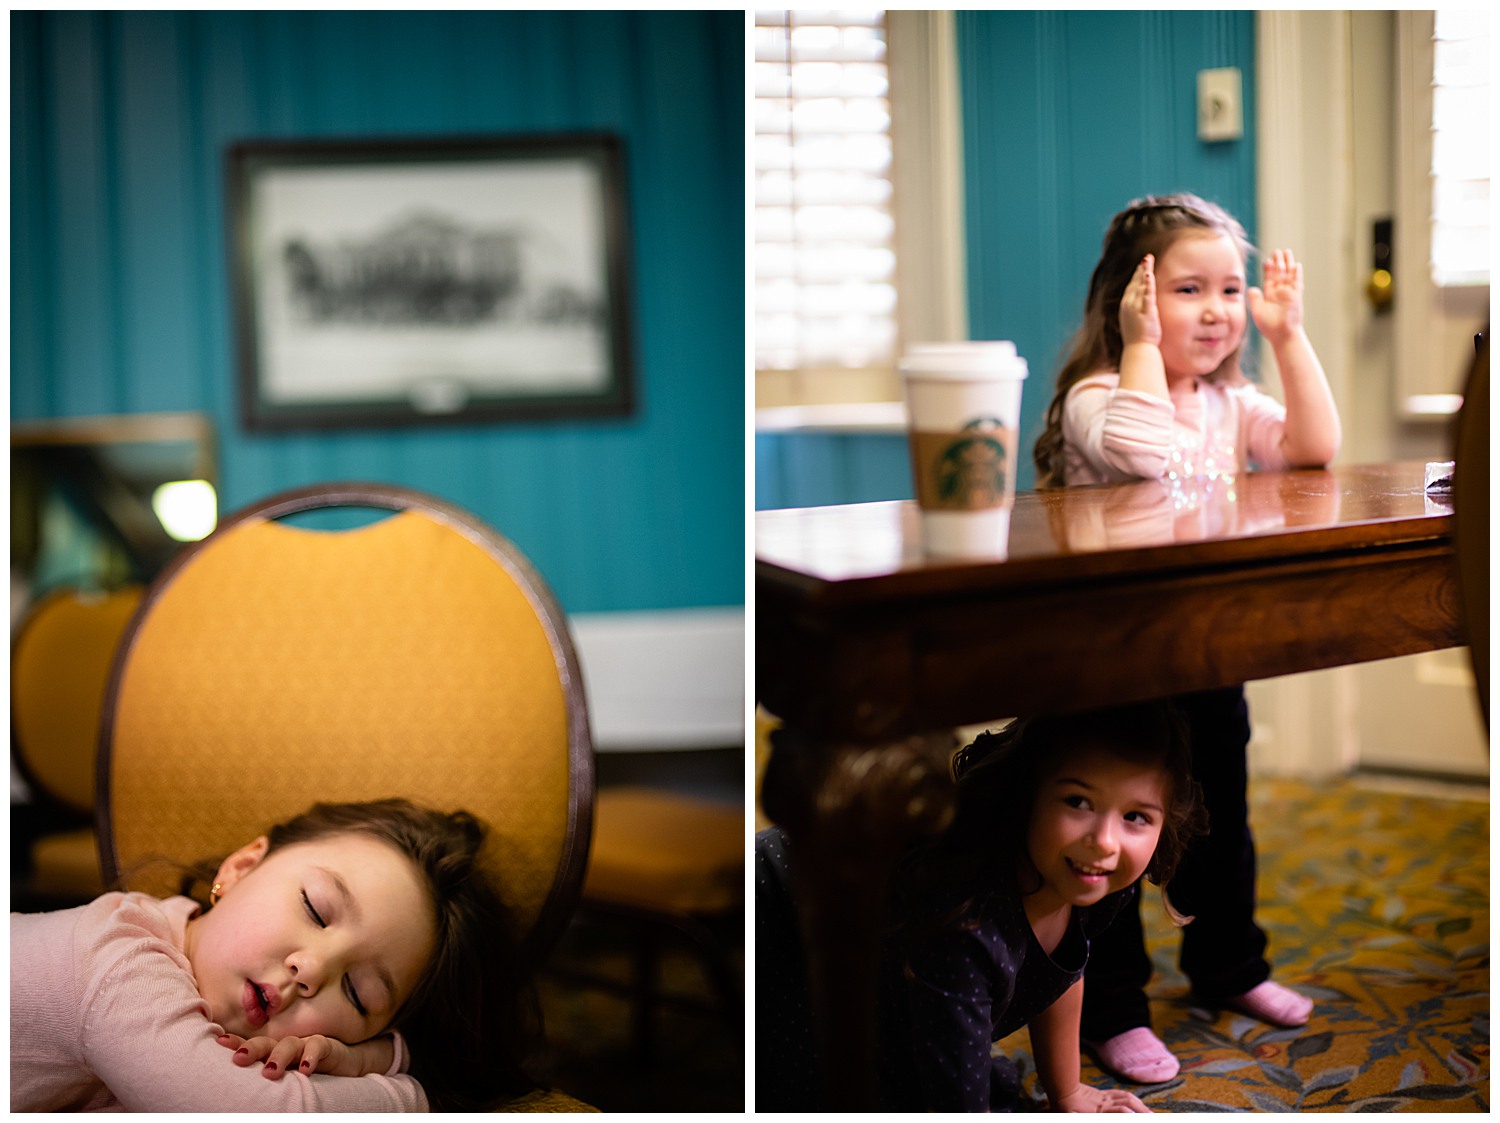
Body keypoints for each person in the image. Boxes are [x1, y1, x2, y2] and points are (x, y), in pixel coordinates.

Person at [1034, 193, 1340, 1084]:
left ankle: (1230, 965)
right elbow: (1139, 452)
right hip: (1115, 658)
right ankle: (1112, 1008)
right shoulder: (1101, 394)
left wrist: (1285, 338)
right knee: (1112, 837)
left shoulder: (1228, 398)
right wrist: (1137, 349)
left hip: (1206, 645)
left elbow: (1317, 447)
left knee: (1220, 824)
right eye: (1186, 290)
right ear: (1131, 300)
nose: (1215, 310)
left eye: (1230, 290)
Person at [756, 702, 1208, 1111]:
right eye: (1078, 801)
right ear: (1026, 796)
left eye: (1135, 817)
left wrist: (1066, 1090)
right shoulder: (966, 924)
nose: (1104, 842)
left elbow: (1064, 967)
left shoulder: (1091, 876)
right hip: (776, 925)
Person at [11, 798, 539, 1112]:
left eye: (358, 994)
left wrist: (366, 1056)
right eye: (315, 908)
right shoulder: (119, 964)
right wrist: (407, 1087)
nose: (310, 970)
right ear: (241, 867)